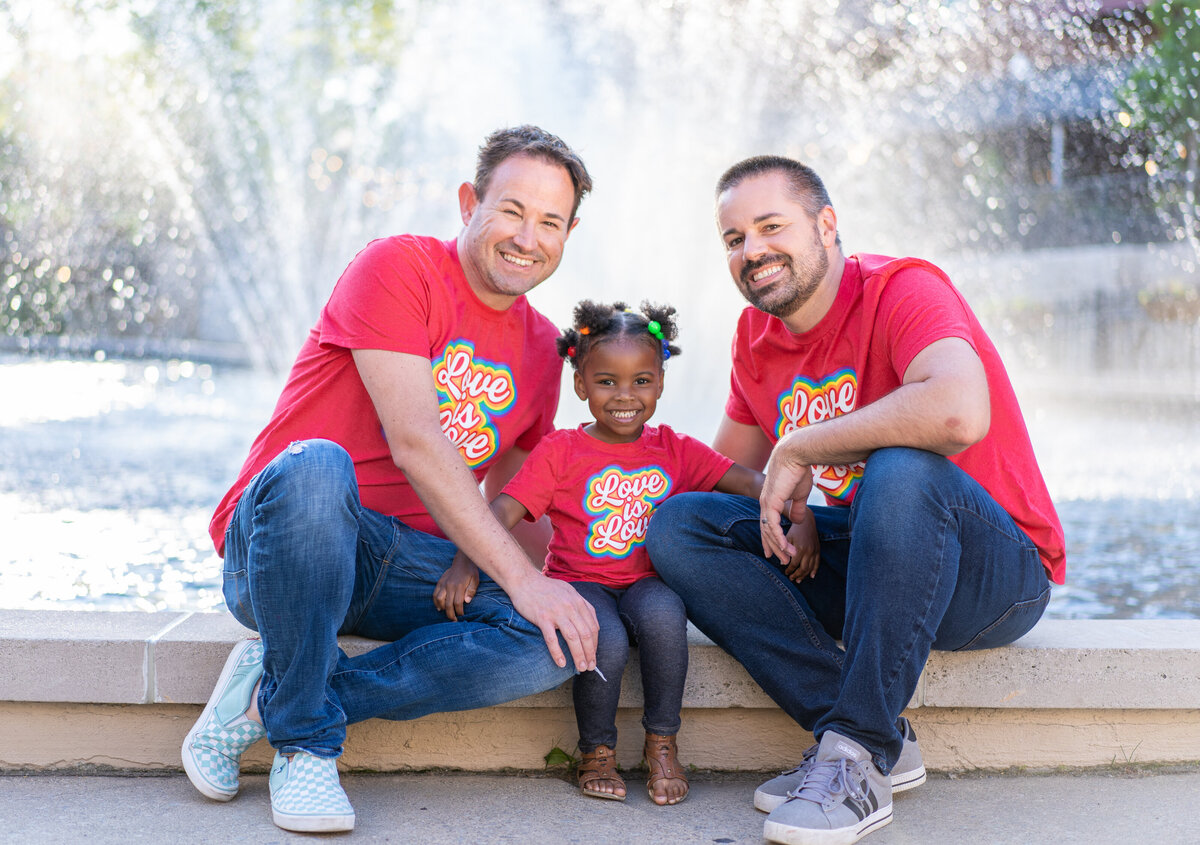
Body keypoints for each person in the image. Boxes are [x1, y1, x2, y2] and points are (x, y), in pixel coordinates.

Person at [181, 125, 603, 834]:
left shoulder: (540, 348)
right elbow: (415, 441)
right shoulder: (398, 266)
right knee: (319, 465)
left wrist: (579, 582)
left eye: (550, 221)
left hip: (404, 566)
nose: (528, 236)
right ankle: (307, 746)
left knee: (550, 636)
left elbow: (513, 505)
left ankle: (273, 696)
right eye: (511, 210)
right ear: (470, 202)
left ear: (569, 232)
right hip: (286, 546)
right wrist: (526, 581)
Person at [645, 156, 1065, 845]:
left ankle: (855, 753)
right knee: (683, 526)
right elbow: (725, 479)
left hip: (992, 574)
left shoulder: (903, 288)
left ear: (827, 224)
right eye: (733, 238)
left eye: (770, 225)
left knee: (901, 468)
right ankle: (870, 739)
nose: (752, 250)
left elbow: (958, 411)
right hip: (877, 563)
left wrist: (804, 444)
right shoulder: (755, 339)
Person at [434, 300, 808, 807]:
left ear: (660, 382)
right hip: (581, 579)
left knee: (664, 613)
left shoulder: (675, 448)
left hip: (646, 581)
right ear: (581, 385)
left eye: (642, 381)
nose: (625, 396)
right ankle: (597, 751)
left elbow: (753, 483)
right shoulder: (561, 451)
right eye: (607, 381)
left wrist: (801, 515)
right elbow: (499, 512)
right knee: (601, 636)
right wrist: (464, 563)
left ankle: (662, 744)